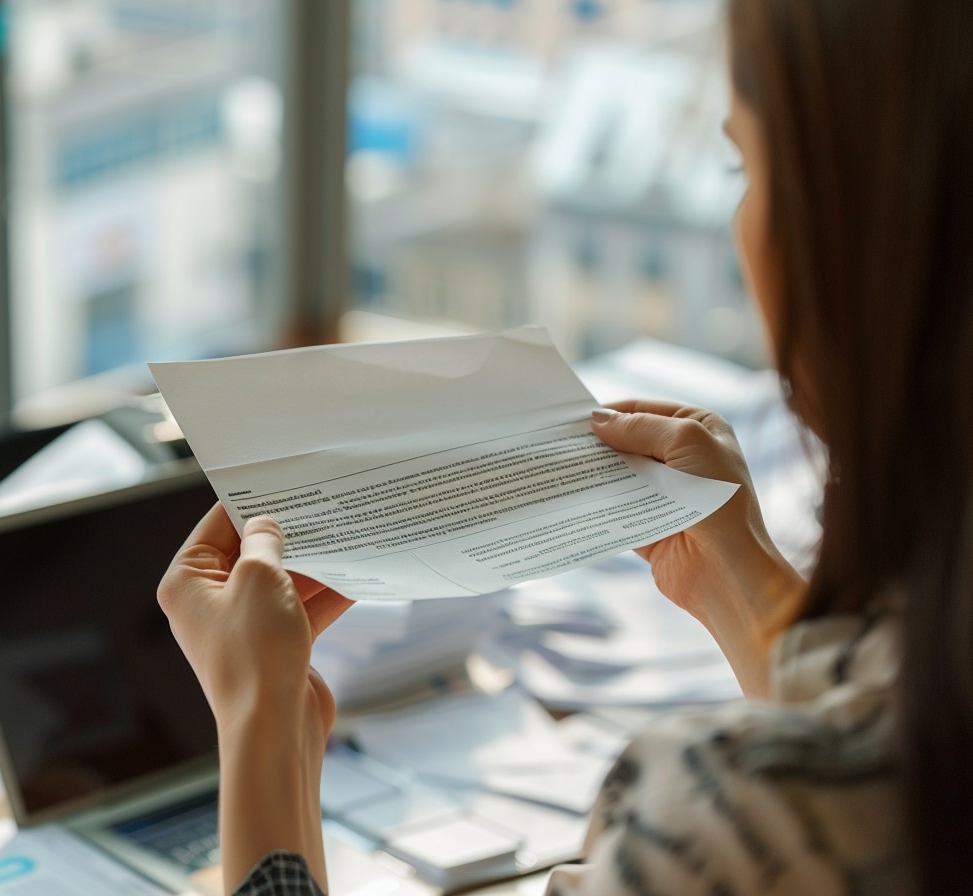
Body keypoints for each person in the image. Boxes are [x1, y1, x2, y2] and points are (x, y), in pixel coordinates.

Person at [157, 0, 973, 892]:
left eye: (744, 161)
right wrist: (738, 582)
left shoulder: (723, 817)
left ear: (858, 230)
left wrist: (262, 731)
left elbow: (818, 794)